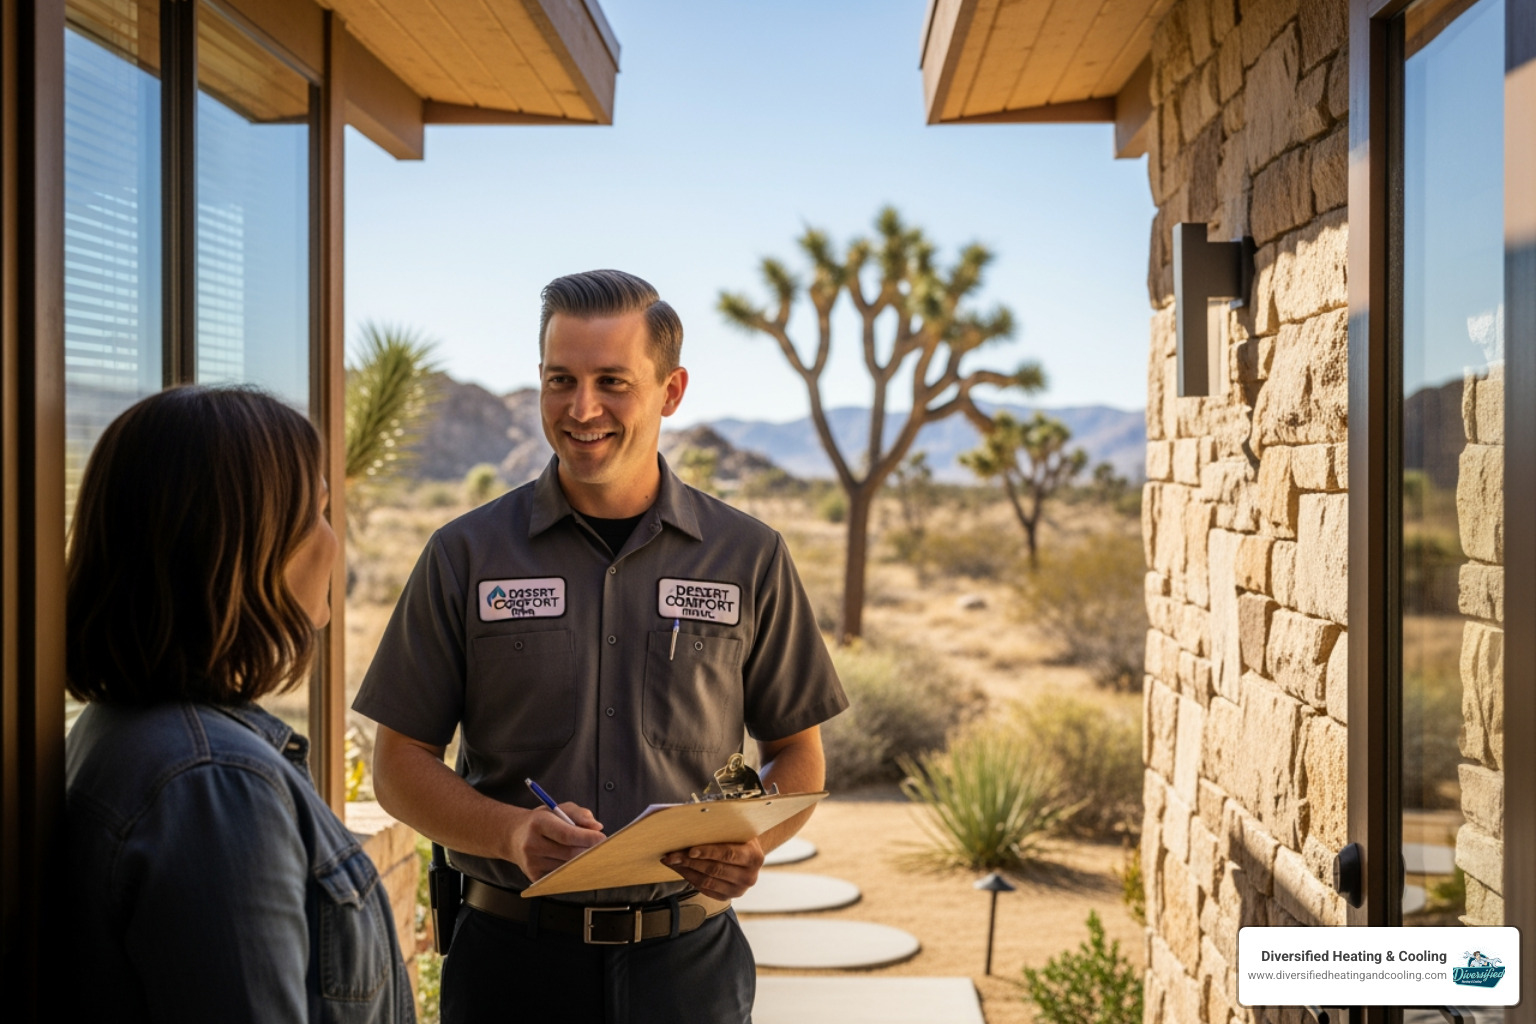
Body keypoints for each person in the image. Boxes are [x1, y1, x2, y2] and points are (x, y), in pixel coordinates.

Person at [354, 269, 848, 1023]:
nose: (582, 409)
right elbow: (398, 765)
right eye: (561, 380)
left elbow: (797, 754)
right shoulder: (465, 555)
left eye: (612, 381)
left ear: (671, 392)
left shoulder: (748, 557)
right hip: (510, 971)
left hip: (690, 974)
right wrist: (512, 833)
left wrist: (751, 837)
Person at [65, 386, 415, 1024]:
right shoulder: (214, 786)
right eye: (317, 513)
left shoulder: (130, 733)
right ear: (241, 545)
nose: (333, 541)